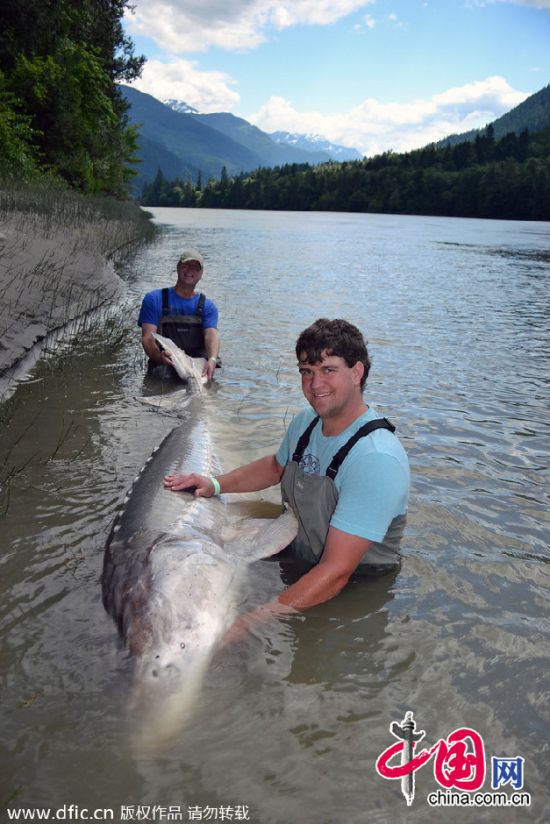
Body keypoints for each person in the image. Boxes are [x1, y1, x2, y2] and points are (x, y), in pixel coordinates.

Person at [164, 318, 410, 630]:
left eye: (328, 370)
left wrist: (248, 625)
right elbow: (275, 468)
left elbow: (336, 572)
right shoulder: (308, 421)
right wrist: (213, 483)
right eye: (306, 372)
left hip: (354, 588)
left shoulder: (376, 458)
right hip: (298, 555)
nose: (315, 384)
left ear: (357, 372)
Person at [138, 249, 220, 381]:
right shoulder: (153, 299)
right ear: (178, 267)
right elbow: (147, 338)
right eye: (186, 265)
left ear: (201, 274)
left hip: (197, 368)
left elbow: (211, 334)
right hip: (163, 364)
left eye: (195, 267)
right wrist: (159, 356)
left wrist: (212, 359)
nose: (189, 270)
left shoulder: (208, 307)